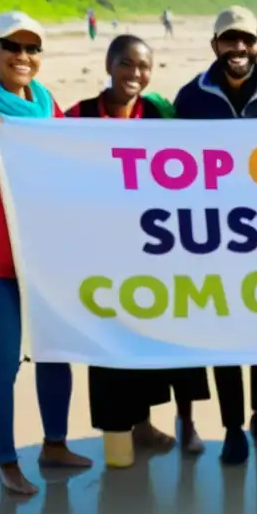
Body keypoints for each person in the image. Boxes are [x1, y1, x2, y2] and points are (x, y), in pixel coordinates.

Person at [0, 11, 91, 494]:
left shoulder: (48, 109)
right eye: (12, 47)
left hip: (40, 261)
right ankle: (7, 462)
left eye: (32, 49)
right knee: (3, 364)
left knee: (55, 353)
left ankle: (55, 444)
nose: (23, 57)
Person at [173, 6, 257, 464]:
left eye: (246, 40)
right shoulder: (192, 98)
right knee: (227, 335)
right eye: (228, 40)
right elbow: (168, 166)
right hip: (212, 241)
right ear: (214, 45)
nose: (238, 49)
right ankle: (233, 427)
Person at [66, 34, 210, 467]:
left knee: (179, 336)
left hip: (161, 248)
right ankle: (131, 429)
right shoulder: (79, 116)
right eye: (126, 64)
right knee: (113, 344)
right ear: (109, 65)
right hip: (104, 252)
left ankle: (187, 422)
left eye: (143, 66)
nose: (135, 74)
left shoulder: (161, 114)